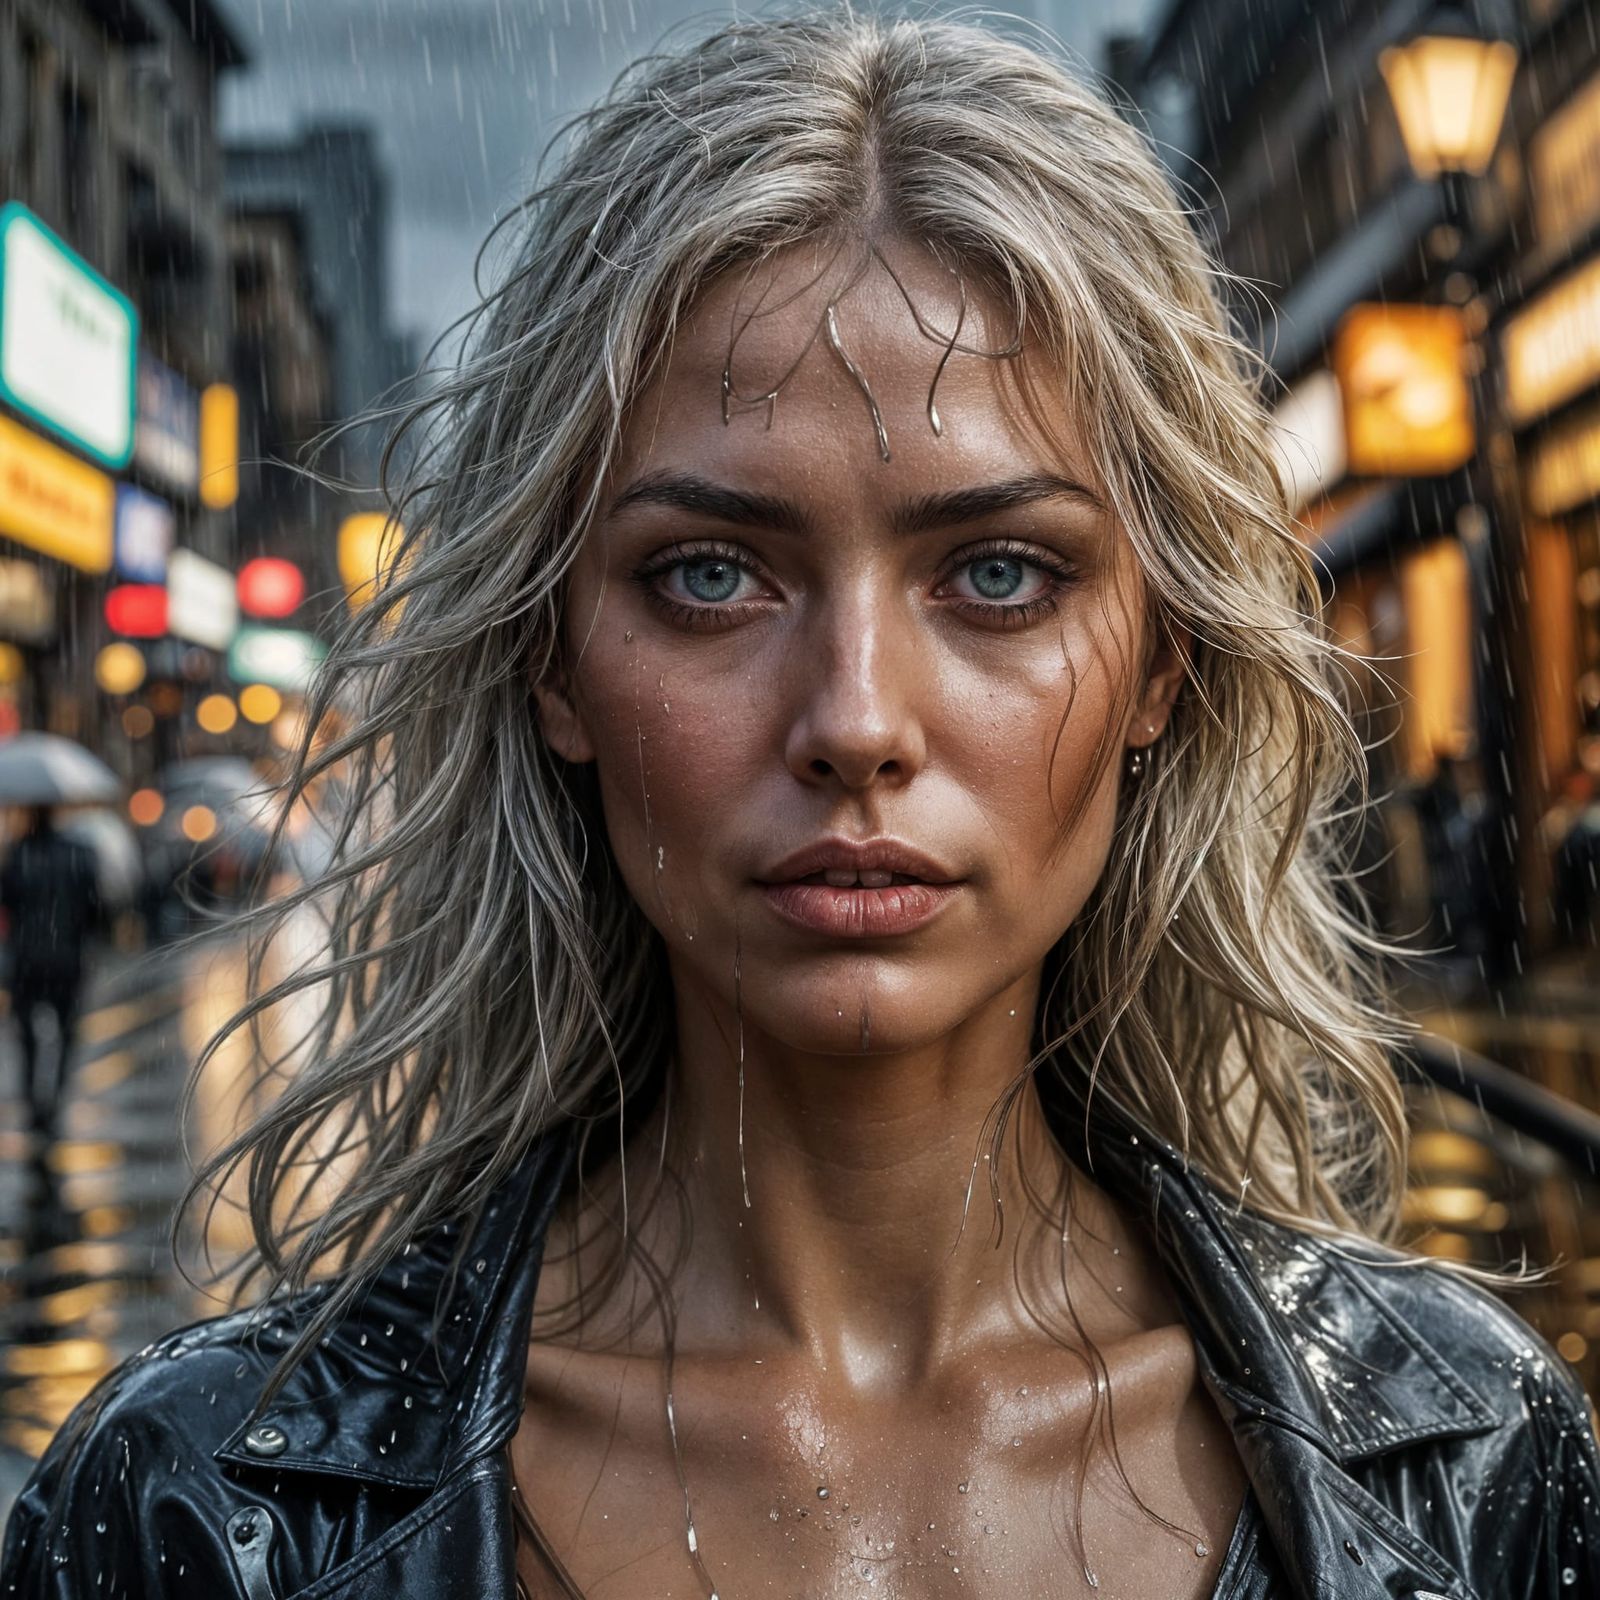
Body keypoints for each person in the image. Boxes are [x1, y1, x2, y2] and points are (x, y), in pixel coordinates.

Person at [4, 10, 1597, 1596]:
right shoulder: (198, 1515)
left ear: (1161, 664)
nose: (854, 721)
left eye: (997, 573)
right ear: (553, 660)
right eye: (710, 575)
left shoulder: (1466, 1467)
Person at [0, 805, 102, 1140]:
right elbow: (95, 908)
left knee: (27, 1035)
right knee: (66, 1031)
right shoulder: (79, 854)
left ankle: (33, 1101)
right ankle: (54, 1098)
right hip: (66, 959)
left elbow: (7, 903)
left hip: (28, 959)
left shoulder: (18, 856)